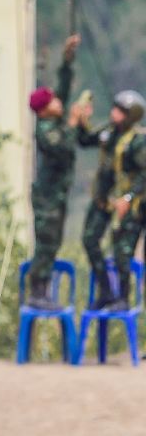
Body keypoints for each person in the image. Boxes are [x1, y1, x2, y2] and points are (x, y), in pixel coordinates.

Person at [26, 35, 89, 308]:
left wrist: (67, 60)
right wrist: (75, 123)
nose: (58, 102)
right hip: (47, 200)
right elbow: (64, 148)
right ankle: (38, 292)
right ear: (43, 111)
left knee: (54, 243)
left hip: (57, 197)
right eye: (52, 102)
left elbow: (62, 90)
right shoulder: (45, 131)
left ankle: (44, 290)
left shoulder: (54, 118)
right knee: (46, 243)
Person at [80, 90, 146, 309]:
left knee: (122, 251)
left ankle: (123, 298)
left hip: (124, 204)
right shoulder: (107, 133)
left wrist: (128, 197)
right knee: (90, 240)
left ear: (130, 116)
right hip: (103, 200)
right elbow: (85, 139)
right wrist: (83, 119)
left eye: (120, 110)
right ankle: (106, 290)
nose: (114, 113)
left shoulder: (136, 142)